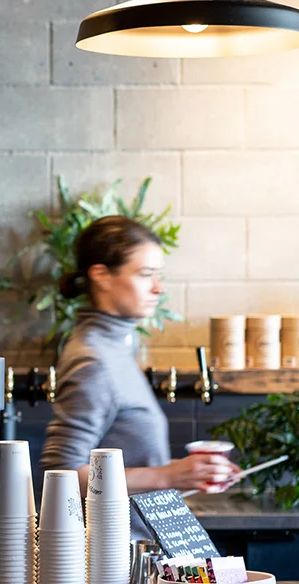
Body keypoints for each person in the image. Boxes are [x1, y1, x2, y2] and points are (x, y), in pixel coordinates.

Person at [41, 215, 238, 536]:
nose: (158, 288)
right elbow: (61, 475)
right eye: (145, 274)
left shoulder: (119, 345)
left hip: (142, 548)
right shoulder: (93, 359)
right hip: (113, 558)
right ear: (101, 276)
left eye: (159, 275)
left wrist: (187, 474)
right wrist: (167, 475)